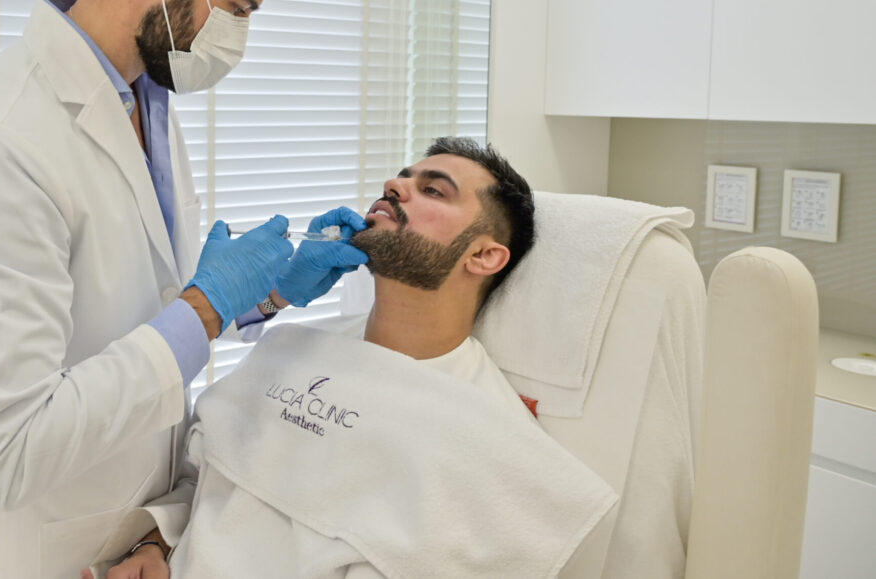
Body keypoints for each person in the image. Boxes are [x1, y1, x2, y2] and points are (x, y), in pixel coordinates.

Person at [0, 0, 369, 579]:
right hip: (26, 546)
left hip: (126, 532)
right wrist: (207, 305)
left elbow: (141, 305)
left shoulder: (144, 99)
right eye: (240, 8)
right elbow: (13, 447)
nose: (239, 38)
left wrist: (266, 292)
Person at [86, 137, 617, 578]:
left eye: (431, 189)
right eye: (403, 177)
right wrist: (157, 543)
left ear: (484, 255)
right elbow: (212, 478)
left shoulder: (486, 434)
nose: (395, 185)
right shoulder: (294, 348)